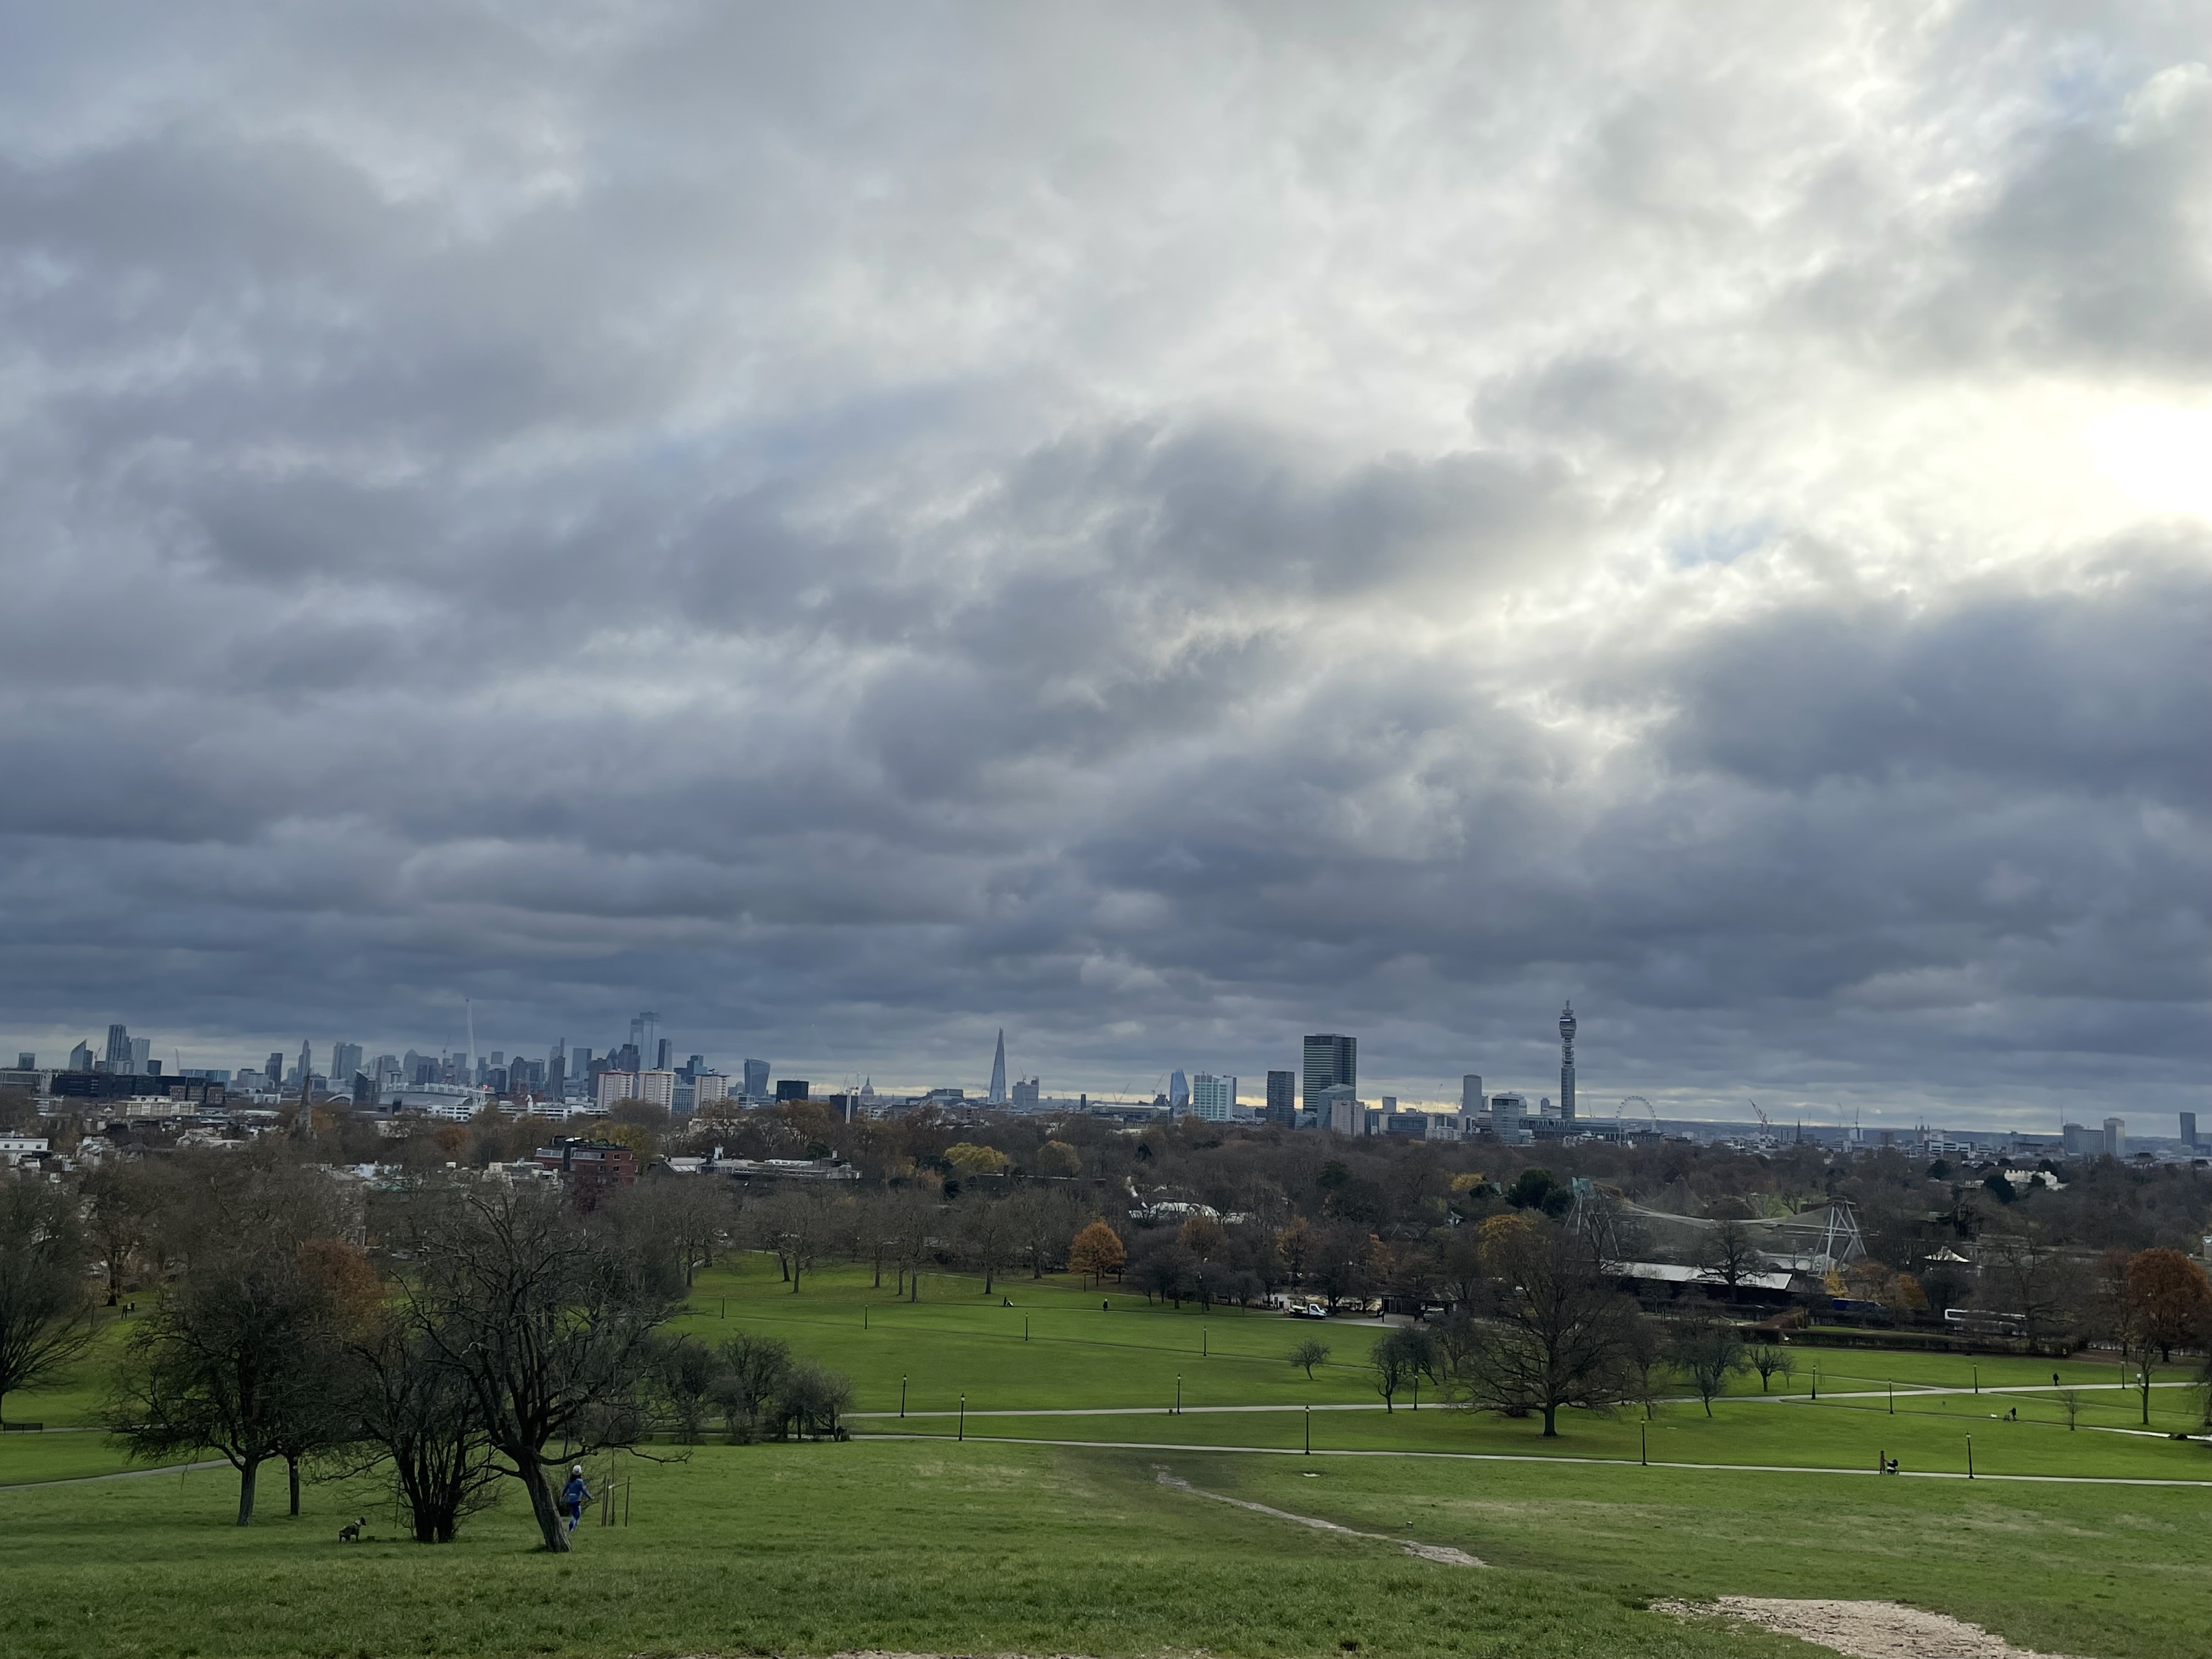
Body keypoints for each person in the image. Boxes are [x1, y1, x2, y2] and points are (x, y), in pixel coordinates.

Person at [561, 1464, 591, 1532]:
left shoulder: (570, 1480)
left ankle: (574, 1527)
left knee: (577, 1513)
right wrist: (589, 1497)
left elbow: (565, 1489)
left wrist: (562, 1496)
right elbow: (584, 1491)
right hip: (576, 1499)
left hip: (570, 1499)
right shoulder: (580, 1482)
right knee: (576, 1515)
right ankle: (572, 1525)